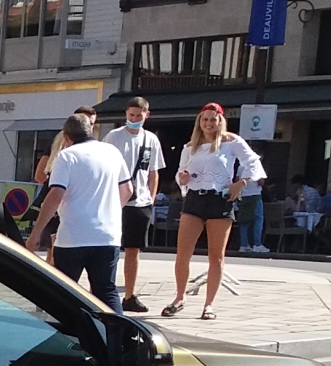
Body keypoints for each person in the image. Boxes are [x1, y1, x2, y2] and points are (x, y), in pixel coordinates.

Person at [166, 103, 261, 319]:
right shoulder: (190, 146)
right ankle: (180, 297)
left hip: (220, 200)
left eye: (213, 119)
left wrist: (242, 182)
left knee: (216, 257)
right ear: (200, 121)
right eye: (205, 119)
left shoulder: (231, 142)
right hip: (194, 200)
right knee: (183, 254)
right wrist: (182, 179)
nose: (208, 124)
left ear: (220, 121)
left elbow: (253, 162)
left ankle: (209, 305)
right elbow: (181, 173)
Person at [26, 113, 127, 308]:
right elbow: (128, 189)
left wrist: (36, 232)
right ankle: (117, 334)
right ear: (91, 130)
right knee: (106, 290)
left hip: (74, 236)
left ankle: (68, 333)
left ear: (66, 136)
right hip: (108, 235)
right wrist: (111, 210)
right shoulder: (112, 152)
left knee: (64, 290)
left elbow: (55, 194)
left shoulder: (66, 156)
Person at [112, 95, 164, 312]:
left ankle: (130, 294)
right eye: (131, 115)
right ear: (126, 114)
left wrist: (151, 198)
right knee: (111, 247)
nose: (134, 119)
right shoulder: (114, 137)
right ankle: (107, 291)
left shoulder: (151, 139)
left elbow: (154, 171)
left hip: (140, 201)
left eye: (138, 116)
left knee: (134, 249)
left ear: (146, 115)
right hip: (116, 200)